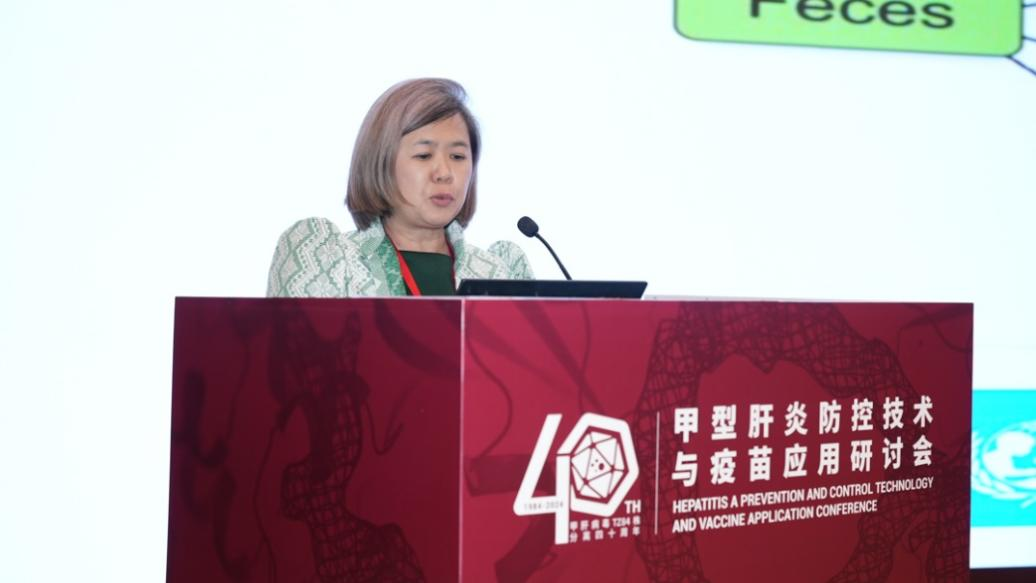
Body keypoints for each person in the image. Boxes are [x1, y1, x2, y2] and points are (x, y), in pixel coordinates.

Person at [266, 78, 533, 297]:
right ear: (380, 162)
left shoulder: (500, 273)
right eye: (424, 156)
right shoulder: (330, 260)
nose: (444, 173)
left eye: (458, 156)